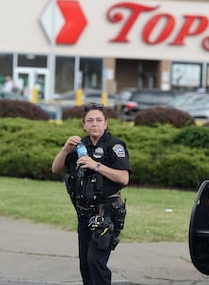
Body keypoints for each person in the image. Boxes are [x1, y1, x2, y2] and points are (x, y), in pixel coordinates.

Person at [52, 103, 131, 285]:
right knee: (85, 264)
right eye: (90, 121)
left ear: (105, 124)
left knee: (96, 261)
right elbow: (56, 168)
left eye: (98, 120)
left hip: (106, 214)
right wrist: (65, 149)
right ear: (84, 125)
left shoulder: (114, 146)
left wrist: (96, 165)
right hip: (84, 215)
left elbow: (124, 178)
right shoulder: (81, 146)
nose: (94, 124)